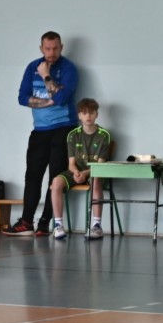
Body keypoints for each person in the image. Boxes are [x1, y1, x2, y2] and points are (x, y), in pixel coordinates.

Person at [3, 31, 79, 236]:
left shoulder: (69, 68)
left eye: (55, 48)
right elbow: (22, 98)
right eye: (47, 48)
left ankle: (45, 222)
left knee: (55, 177)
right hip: (40, 130)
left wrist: (46, 75)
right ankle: (26, 221)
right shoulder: (32, 67)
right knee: (32, 176)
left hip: (64, 127)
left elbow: (62, 98)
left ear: (61, 47)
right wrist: (48, 101)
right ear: (41, 48)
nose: (51, 52)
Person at [48, 98, 111, 240]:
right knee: (56, 182)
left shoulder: (104, 135)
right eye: (84, 113)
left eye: (91, 113)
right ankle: (58, 226)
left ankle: (96, 226)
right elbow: (71, 163)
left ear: (97, 114)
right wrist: (76, 172)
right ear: (79, 115)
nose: (88, 116)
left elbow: (100, 164)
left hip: (95, 171)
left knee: (96, 179)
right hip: (77, 171)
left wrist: (85, 173)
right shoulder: (73, 135)